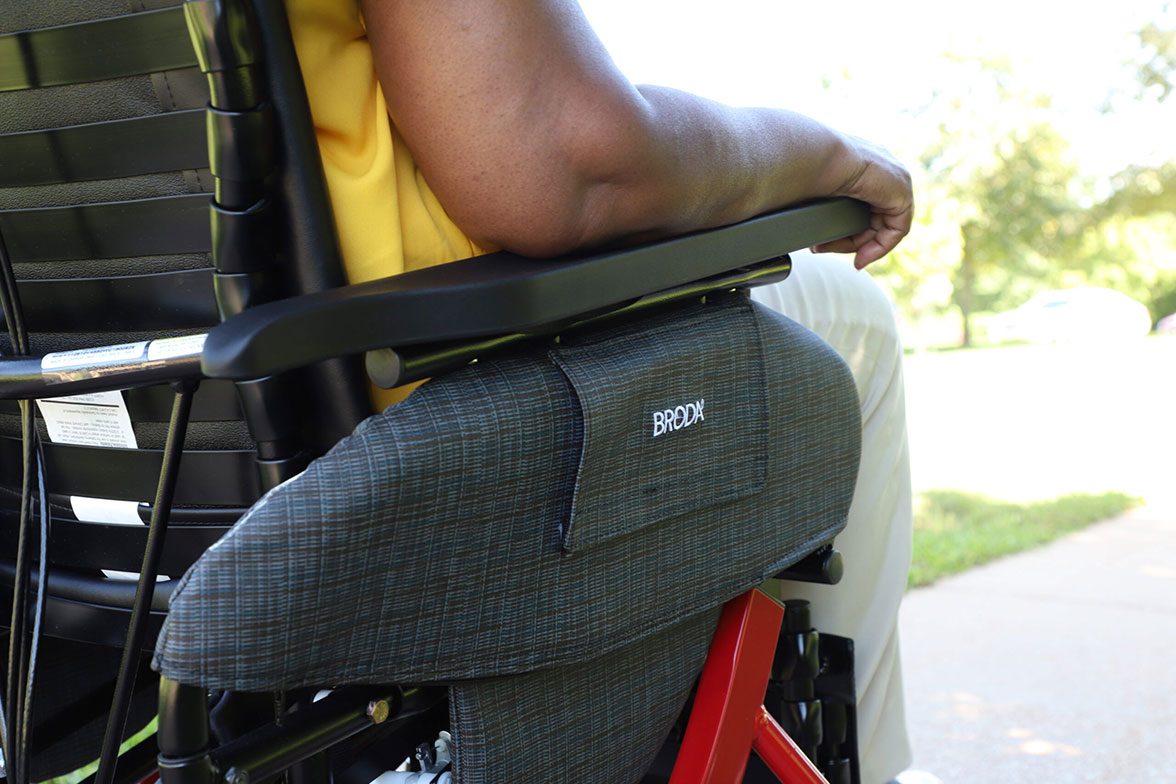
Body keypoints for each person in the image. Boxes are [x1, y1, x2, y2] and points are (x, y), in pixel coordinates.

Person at [283, 1, 917, 781]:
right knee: (859, 315)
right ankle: (869, 763)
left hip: (189, 423)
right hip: (431, 369)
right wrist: (833, 161)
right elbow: (574, 161)